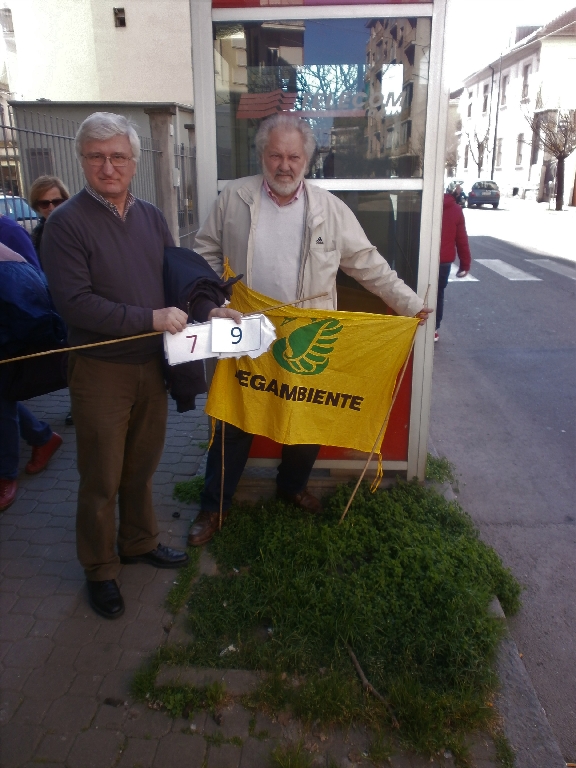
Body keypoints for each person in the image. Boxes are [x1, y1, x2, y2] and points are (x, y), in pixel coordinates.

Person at [190, 113, 432, 547]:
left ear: (308, 160)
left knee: (306, 415)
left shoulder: (330, 209)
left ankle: (291, 487)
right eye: (276, 155)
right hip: (246, 327)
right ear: (262, 155)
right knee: (233, 418)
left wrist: (411, 304)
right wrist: (216, 301)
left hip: (309, 331)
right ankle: (214, 505)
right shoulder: (235, 198)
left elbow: (368, 264)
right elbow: (204, 249)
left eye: (294, 156)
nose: (284, 165)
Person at [41, 112, 190, 620]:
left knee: (141, 467)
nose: (108, 166)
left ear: (134, 161)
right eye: (97, 156)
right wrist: (150, 317)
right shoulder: (65, 224)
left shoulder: (150, 215)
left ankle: (139, 540)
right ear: (82, 160)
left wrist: (212, 308)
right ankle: (100, 568)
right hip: (100, 369)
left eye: (118, 156)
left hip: (151, 364)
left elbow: (176, 278)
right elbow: (75, 305)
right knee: (101, 477)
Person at [0, 242, 64, 511]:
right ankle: (41, 437)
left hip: (12, 317)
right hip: (13, 313)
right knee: (3, 396)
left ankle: (6, 474)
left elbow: (30, 271)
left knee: (2, 397)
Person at [436, 188, 472, 342]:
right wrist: (465, 264)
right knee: (437, 294)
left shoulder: (422, 203)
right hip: (443, 261)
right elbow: (461, 239)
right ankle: (434, 329)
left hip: (420, 257)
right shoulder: (455, 209)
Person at [29, 175, 70, 257]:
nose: (51, 208)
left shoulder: (77, 228)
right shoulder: (36, 236)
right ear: (37, 206)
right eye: (44, 203)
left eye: (56, 202)